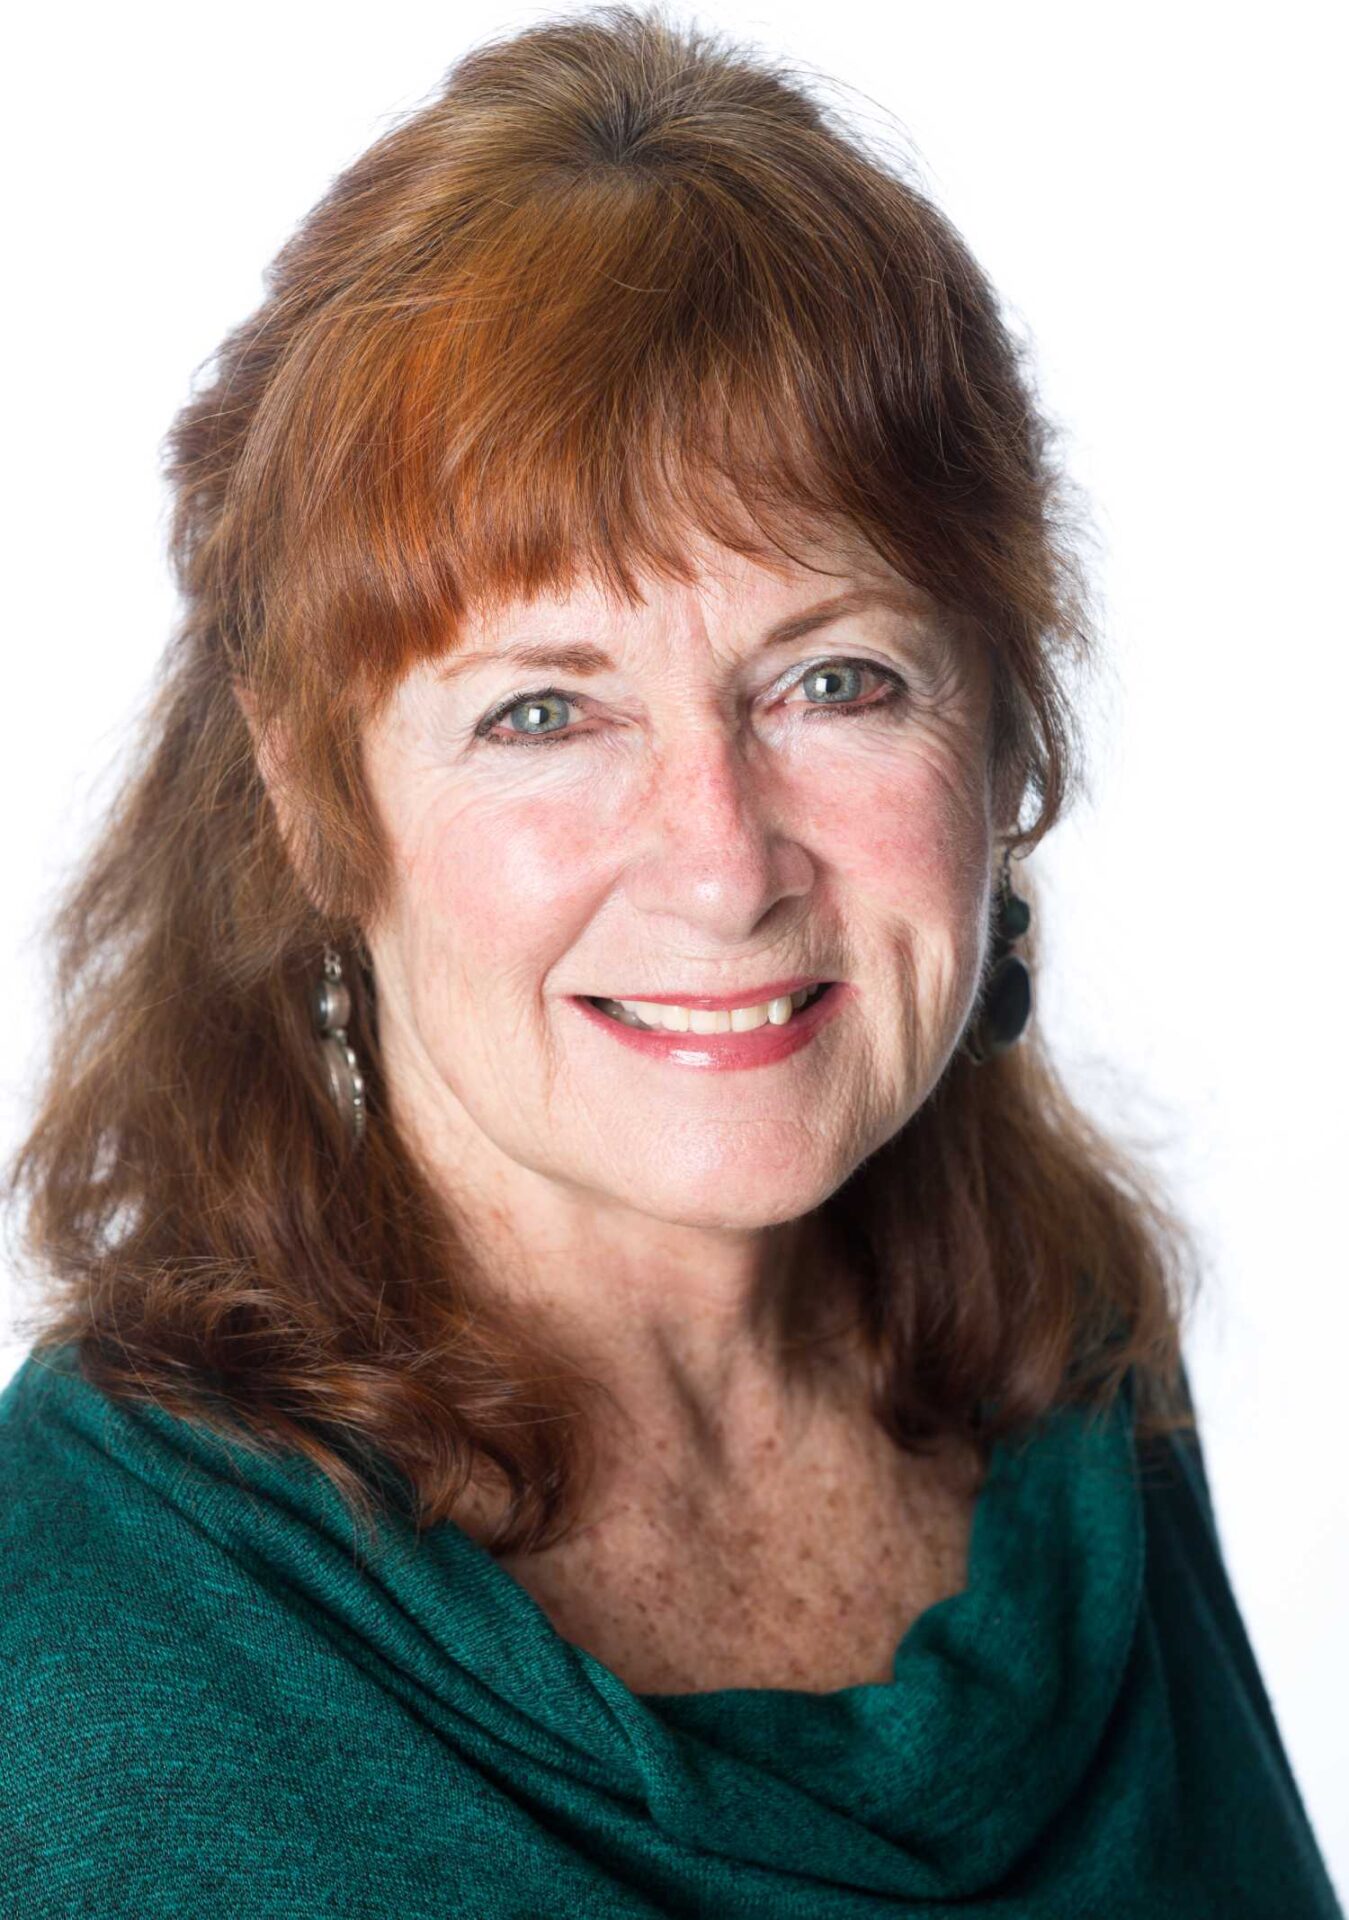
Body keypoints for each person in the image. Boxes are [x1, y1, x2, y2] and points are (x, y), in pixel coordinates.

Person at [1, 6, 1340, 1916]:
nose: (721, 865)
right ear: (312, 801)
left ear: (1010, 744)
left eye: (833, 679)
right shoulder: (67, 1655)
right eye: (545, 712)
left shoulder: (1083, 1404)